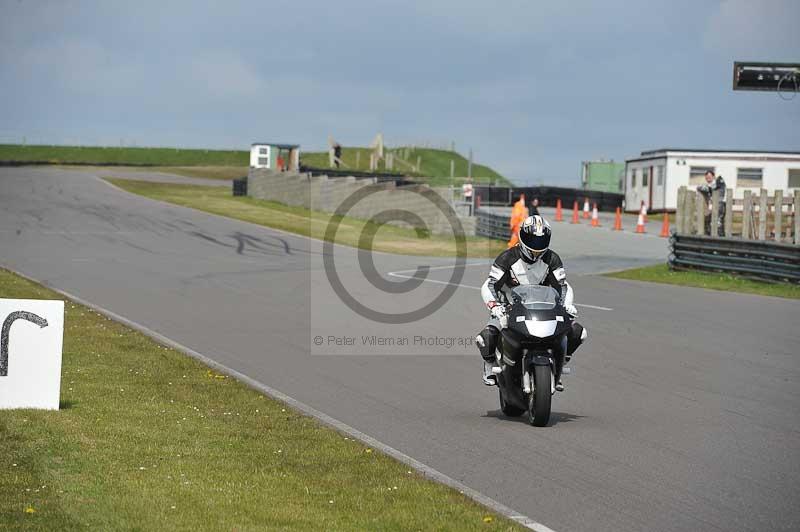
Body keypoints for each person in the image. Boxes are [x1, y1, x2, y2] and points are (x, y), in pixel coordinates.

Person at [475, 215, 587, 391]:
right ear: (522, 236)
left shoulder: (552, 259)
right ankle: (490, 365)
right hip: (508, 308)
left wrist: (567, 305)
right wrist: (495, 306)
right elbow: (489, 285)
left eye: (541, 240)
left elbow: (563, 287)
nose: (536, 246)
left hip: (543, 309)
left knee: (578, 332)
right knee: (486, 337)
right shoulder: (507, 258)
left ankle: (559, 364)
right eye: (532, 240)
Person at [697, 170, 726, 236]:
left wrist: (700, 187)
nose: (708, 178)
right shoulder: (709, 185)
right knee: (709, 222)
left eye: (709, 177)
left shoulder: (719, 181)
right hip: (712, 205)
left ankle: (720, 238)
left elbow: (710, 188)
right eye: (706, 177)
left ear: (713, 176)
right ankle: (710, 236)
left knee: (718, 223)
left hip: (719, 205)